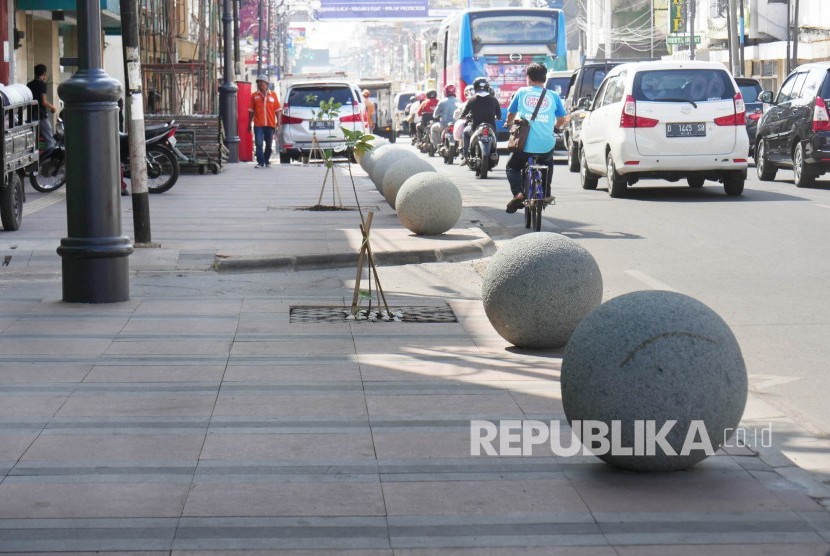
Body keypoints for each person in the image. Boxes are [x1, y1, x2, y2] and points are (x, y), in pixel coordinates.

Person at [504, 62, 567, 213]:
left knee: (512, 167)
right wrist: (556, 127)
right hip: (546, 145)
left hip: (524, 145)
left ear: (529, 78)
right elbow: (561, 120)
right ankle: (545, 193)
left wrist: (509, 122)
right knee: (548, 162)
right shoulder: (553, 96)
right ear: (544, 78)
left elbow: (511, 114)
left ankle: (519, 193)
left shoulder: (522, 92)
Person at [459, 77, 501, 159]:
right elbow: (499, 115)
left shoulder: (471, 99)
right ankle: (494, 151)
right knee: (495, 135)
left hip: (475, 127)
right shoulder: (494, 99)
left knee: (465, 132)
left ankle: (465, 155)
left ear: (475, 87)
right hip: (491, 127)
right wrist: (497, 117)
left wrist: (462, 117)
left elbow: (464, 113)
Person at [249, 75, 280, 168]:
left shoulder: (273, 95)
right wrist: (249, 123)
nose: (259, 84)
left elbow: (278, 110)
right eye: (258, 82)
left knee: (269, 145)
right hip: (258, 124)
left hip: (270, 124)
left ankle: (266, 160)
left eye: (261, 82)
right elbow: (251, 111)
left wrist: (278, 122)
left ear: (267, 84)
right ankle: (261, 162)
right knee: (258, 143)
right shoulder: (254, 96)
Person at [27, 64, 58, 151]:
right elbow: (43, 102)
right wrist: (52, 107)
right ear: (44, 73)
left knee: (33, 139)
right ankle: (49, 158)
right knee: (49, 138)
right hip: (41, 115)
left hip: (31, 115)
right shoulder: (42, 85)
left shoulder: (29, 84)